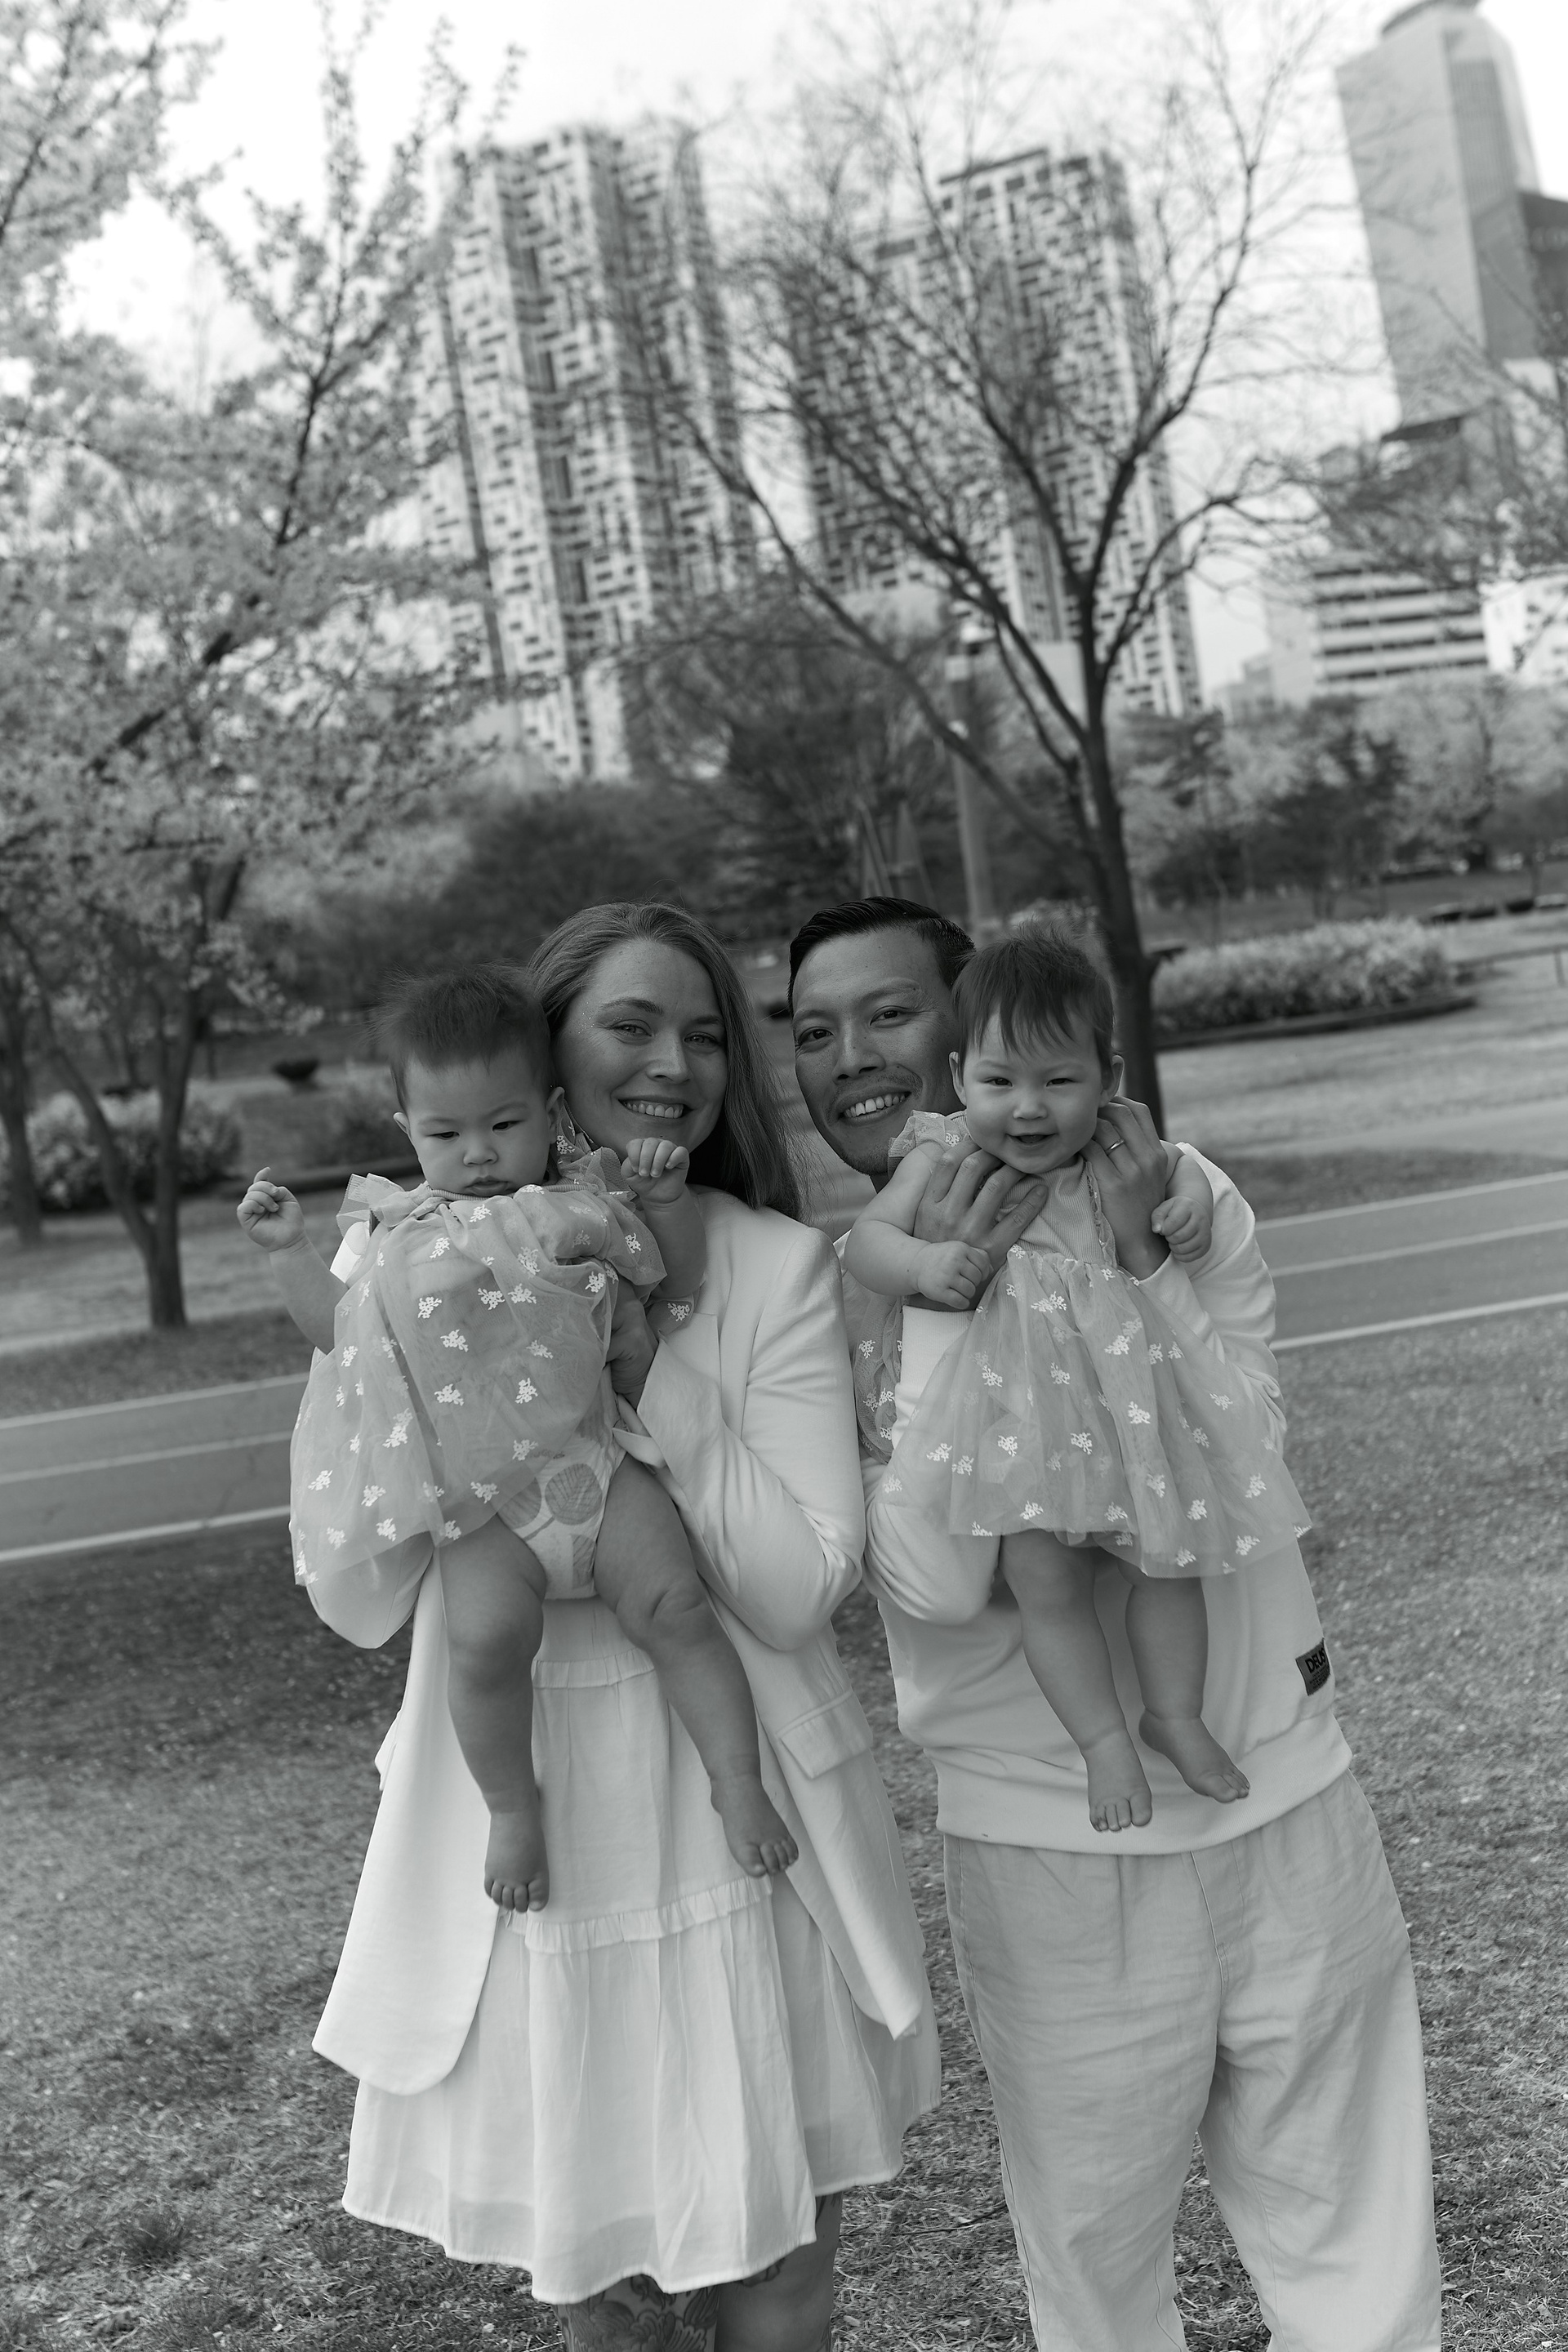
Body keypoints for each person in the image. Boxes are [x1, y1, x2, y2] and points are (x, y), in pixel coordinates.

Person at [791, 895, 1441, 2352]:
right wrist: (947, 1303)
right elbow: (932, 1583)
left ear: (977, 1022)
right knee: (1096, 2273)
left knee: (1358, 2246)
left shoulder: (1173, 1191)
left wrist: (1148, 1261)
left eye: (889, 1012)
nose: (852, 1056)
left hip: (1282, 1790)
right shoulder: (845, 1288)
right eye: (814, 1032)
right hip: (1050, 1848)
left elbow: (1249, 1451)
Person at [294, 905, 938, 2352]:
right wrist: (413, 1391)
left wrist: (647, 1376)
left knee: (778, 2265)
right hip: (537, 1834)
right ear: (548, 1053)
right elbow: (360, 1596)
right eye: (632, 1027)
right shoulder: (404, 1254)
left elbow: (796, 1587)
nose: (674, 1064)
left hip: (735, 1819)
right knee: (608, 2297)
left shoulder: (779, 1265)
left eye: (706, 1035)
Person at [238, 965, 798, 1913]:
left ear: (549, 1111)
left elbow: (672, 1278)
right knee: (483, 1647)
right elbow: (340, 1334)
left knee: (678, 1610)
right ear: (407, 1131)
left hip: (601, 1467)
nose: (479, 1154)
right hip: (484, 1502)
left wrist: (664, 1201)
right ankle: (510, 1806)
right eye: (445, 1134)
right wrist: (292, 1252)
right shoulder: (398, 1235)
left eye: (503, 1124)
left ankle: (737, 1780)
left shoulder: (582, 1202)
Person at [843, 924, 1309, 1833]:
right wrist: (925, 1268)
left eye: (1058, 1081)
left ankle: (1173, 1716)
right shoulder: (942, 1155)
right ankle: (1103, 1743)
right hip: (1020, 1426)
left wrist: (1184, 1214)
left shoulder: (1121, 1150)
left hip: (1132, 1417)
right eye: (998, 1082)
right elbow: (869, 1241)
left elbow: (1187, 1186)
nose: (1028, 1109)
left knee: (1170, 1566)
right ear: (958, 1076)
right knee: (1044, 1580)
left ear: (1108, 1077)